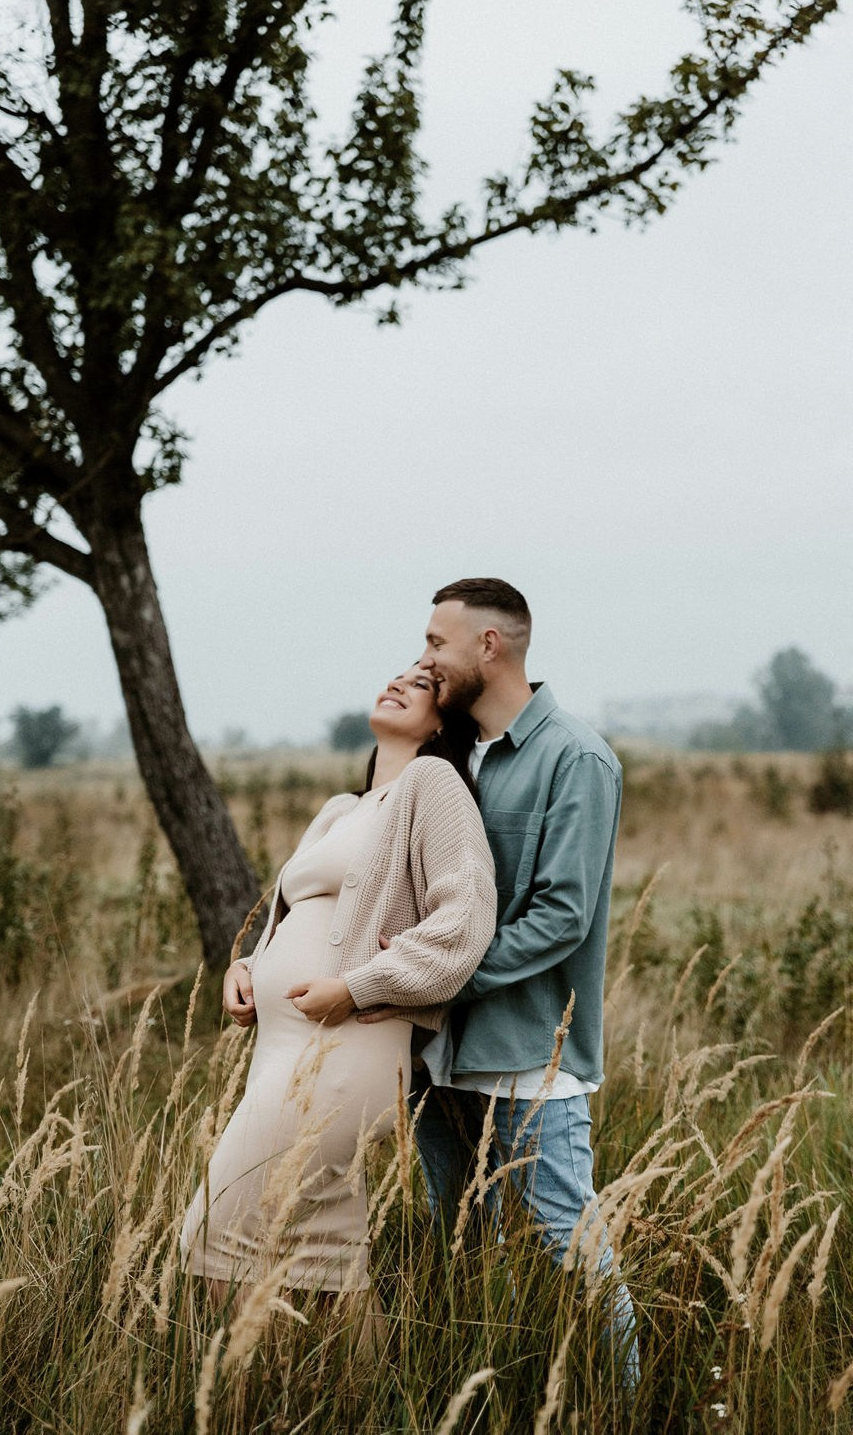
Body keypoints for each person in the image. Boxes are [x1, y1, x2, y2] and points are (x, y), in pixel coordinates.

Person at [359, 578, 639, 1392]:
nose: (425, 659)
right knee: (458, 1247)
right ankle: (483, 1396)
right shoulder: (446, 754)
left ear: (491, 645)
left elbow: (562, 916)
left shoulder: (576, 758)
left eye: (438, 644)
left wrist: (431, 979)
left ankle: (624, 1408)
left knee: (570, 1249)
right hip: (432, 1056)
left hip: (525, 1056)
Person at [180, 666, 496, 1318]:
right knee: (322, 1252)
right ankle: (367, 1404)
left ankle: (262, 1398)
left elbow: (465, 918)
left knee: (216, 1232)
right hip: (281, 1048)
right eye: (400, 673)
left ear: (446, 721)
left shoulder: (432, 785)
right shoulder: (340, 810)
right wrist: (247, 966)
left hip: (348, 1048)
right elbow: (288, 914)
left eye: (425, 683)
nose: (402, 682)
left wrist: (357, 988)